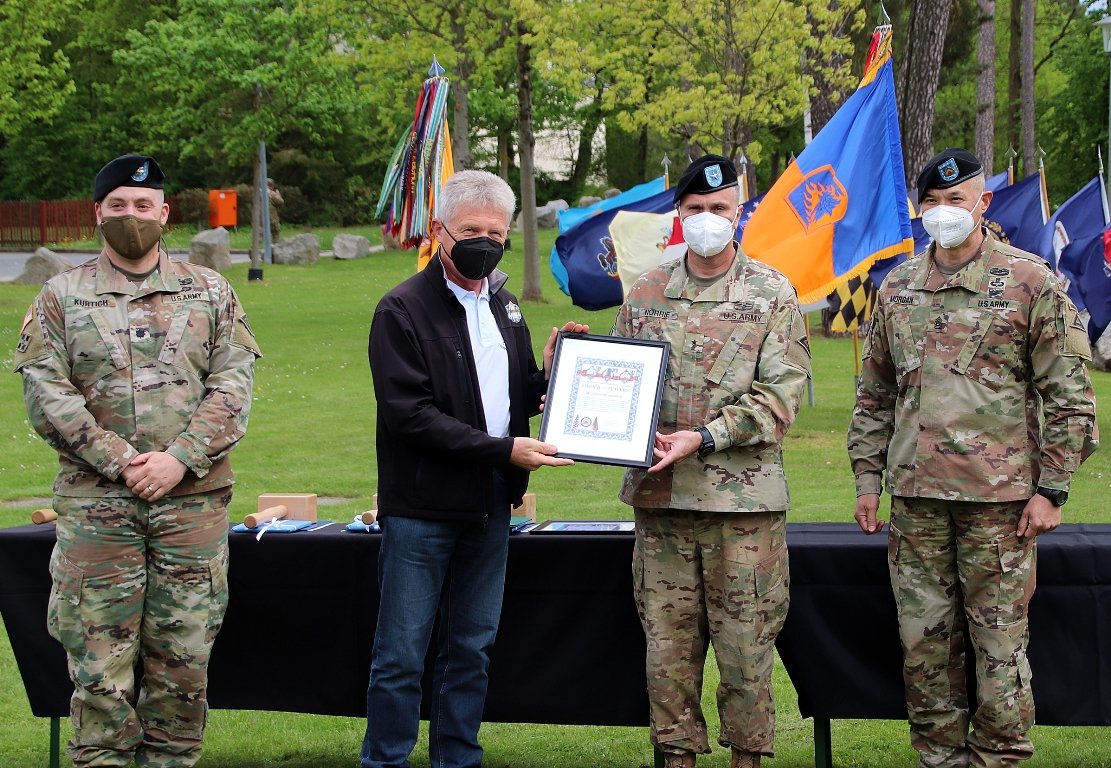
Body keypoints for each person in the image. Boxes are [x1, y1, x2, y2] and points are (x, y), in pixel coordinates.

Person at [847, 147, 1099, 767]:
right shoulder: (898, 287)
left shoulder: (1031, 281)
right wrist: (867, 478)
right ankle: (939, 758)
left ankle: (999, 757)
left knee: (999, 646)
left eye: (955, 200)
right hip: (916, 504)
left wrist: (1053, 490)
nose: (944, 212)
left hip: (1000, 505)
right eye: (932, 202)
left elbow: (1070, 398)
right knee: (924, 646)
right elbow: (875, 394)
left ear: (982, 203)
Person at [13, 154, 261, 767]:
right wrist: (123, 462)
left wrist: (179, 459)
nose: (132, 215)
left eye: (143, 205)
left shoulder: (210, 291)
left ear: (165, 213)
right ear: (98, 213)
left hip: (190, 506)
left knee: (183, 665)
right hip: (98, 510)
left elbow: (233, 385)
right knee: (98, 667)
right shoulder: (60, 296)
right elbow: (47, 395)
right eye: (118, 205)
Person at [362, 169, 586, 768]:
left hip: (490, 503)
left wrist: (552, 374)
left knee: (471, 648)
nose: (484, 243)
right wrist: (503, 450)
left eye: (495, 233)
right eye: (470, 231)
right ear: (440, 230)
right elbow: (411, 416)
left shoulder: (506, 306)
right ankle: (384, 760)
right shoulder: (401, 309)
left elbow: (510, 398)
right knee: (401, 654)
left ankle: (457, 759)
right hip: (422, 508)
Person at [610, 154, 812, 768]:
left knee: (746, 649)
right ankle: (676, 758)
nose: (707, 219)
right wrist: (576, 383)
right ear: (680, 213)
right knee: (667, 652)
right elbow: (621, 384)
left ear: (739, 212)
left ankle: (746, 759)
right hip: (663, 502)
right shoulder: (647, 291)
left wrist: (703, 437)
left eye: (718, 208)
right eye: (695, 208)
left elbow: (781, 397)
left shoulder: (771, 293)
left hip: (742, 508)